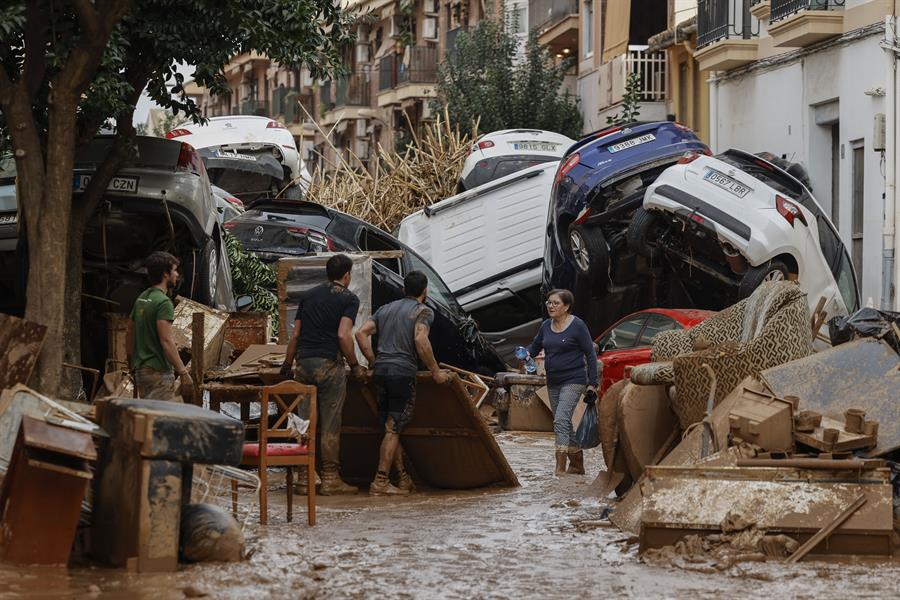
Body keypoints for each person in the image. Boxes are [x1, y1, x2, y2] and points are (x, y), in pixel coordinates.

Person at [355, 271, 450, 496]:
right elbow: (420, 339)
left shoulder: (385, 309)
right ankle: (380, 481)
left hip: (382, 373)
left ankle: (403, 479)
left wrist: (373, 361)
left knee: (390, 428)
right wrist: (435, 372)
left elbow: (360, 333)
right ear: (425, 291)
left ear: (403, 289)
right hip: (402, 373)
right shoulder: (423, 311)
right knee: (393, 428)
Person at [280, 254, 365, 495]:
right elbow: (343, 335)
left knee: (304, 422)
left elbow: (295, 335)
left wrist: (287, 363)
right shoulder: (349, 298)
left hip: (303, 364)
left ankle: (305, 478)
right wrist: (355, 364)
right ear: (347, 275)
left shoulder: (308, 296)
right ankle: (330, 479)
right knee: (330, 423)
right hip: (328, 365)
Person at [526, 289, 598, 475]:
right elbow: (534, 348)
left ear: (566, 307)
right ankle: (577, 464)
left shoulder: (578, 326)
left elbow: (590, 354)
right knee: (563, 424)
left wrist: (592, 383)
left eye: (555, 303)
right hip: (554, 381)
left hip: (574, 379)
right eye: (549, 303)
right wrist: (526, 354)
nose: (550, 306)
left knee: (561, 419)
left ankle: (559, 468)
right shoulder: (545, 326)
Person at [127, 251, 192, 401]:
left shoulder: (142, 298)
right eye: (174, 270)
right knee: (159, 420)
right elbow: (166, 341)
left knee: (148, 416)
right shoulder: (163, 303)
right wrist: (183, 371)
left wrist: (131, 362)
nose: (176, 274)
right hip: (159, 373)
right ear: (165, 274)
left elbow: (129, 331)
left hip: (141, 371)